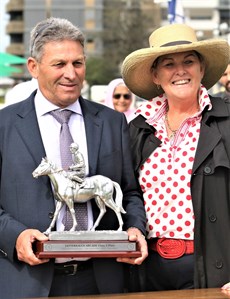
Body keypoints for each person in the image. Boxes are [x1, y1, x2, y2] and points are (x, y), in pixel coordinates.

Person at [0, 17, 147, 299]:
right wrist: (15, 236)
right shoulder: (4, 125)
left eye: (77, 63)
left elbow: (129, 191)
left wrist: (135, 227)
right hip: (26, 282)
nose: (71, 74)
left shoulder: (112, 122)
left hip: (101, 280)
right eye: (59, 64)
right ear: (34, 67)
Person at [121, 23, 230, 291]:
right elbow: (126, 194)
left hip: (214, 268)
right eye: (169, 64)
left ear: (201, 69)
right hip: (147, 270)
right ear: (155, 75)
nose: (180, 71)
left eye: (189, 61)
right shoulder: (138, 129)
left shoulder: (226, 120)